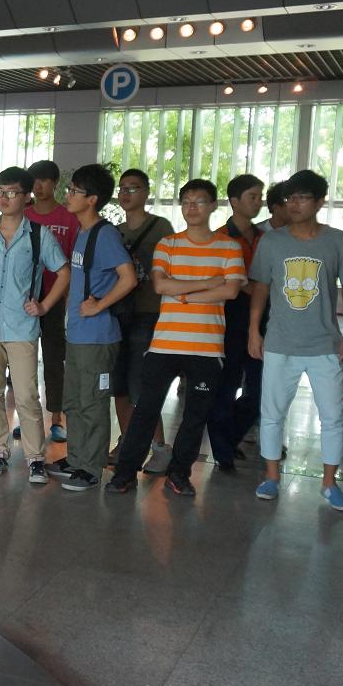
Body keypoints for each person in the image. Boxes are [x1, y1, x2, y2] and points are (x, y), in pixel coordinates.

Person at [106, 179, 246, 497]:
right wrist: (209, 283)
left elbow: (230, 291)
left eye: (199, 201)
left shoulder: (229, 247)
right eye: (186, 202)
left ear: (213, 206)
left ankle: (179, 474)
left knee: (195, 417)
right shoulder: (168, 244)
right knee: (145, 410)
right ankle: (125, 473)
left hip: (207, 346)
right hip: (165, 344)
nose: (192, 207)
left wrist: (181, 292)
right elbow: (160, 286)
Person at [246, 169, 343, 510]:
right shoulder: (272, 241)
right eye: (289, 198)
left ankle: (329, 483)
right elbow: (261, 287)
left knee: (333, 417)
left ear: (320, 201)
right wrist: (254, 329)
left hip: (325, 344)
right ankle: (271, 477)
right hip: (280, 342)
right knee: (271, 414)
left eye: (302, 198)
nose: (294, 204)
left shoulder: (338, 241)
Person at [0, 166, 69, 485]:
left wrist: (44, 306)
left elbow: (64, 272)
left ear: (26, 197)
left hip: (22, 327)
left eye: (11, 193)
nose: (4, 198)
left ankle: (36, 458)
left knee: (26, 395)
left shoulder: (38, 235)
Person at [54, 165, 138, 491]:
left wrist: (99, 305)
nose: (68, 195)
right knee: (74, 400)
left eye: (74, 191)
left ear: (92, 199)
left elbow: (128, 278)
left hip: (98, 336)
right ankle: (76, 458)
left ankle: (91, 467)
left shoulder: (104, 234)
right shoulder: (84, 232)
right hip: (78, 334)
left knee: (92, 402)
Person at [110, 169, 174, 473]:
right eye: (122, 188)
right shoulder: (114, 231)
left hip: (148, 314)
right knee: (119, 385)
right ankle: (127, 441)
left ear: (146, 192)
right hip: (118, 313)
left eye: (133, 188)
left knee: (142, 385)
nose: (126, 193)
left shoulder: (161, 227)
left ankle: (159, 447)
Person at [207, 173, 265, 473]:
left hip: (262, 319)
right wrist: (249, 286)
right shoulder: (220, 238)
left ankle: (228, 437)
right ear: (234, 201)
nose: (258, 202)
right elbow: (221, 281)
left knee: (260, 390)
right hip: (229, 320)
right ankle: (222, 451)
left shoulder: (264, 238)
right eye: (252, 197)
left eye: (260, 197)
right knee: (226, 385)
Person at [23, 159, 79, 443]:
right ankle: (27, 417)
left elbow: (74, 263)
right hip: (25, 296)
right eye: (35, 180)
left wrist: (69, 298)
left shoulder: (69, 217)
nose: (39, 186)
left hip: (55, 295)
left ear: (55, 183)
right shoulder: (23, 215)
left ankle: (57, 418)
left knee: (54, 358)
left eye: (45, 180)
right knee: (23, 358)